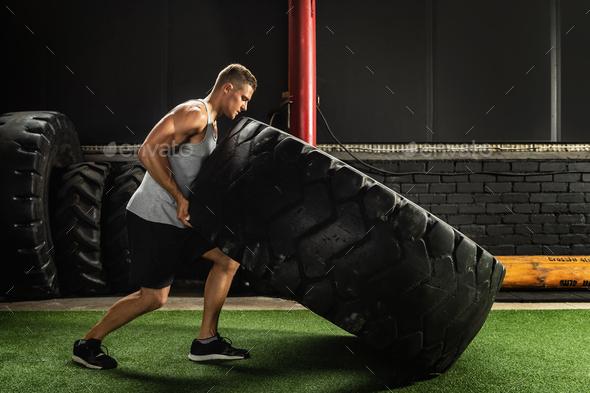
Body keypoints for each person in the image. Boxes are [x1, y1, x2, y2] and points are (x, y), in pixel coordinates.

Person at [72, 64, 257, 370]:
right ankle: (87, 343)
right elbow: (148, 150)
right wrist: (180, 198)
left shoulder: (212, 123)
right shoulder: (195, 113)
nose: (245, 105)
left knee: (228, 259)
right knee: (154, 299)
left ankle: (206, 341)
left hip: (182, 220)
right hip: (155, 217)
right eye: (243, 98)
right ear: (227, 89)